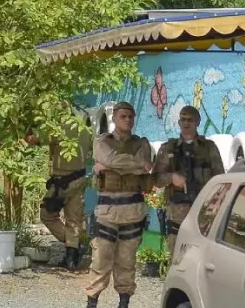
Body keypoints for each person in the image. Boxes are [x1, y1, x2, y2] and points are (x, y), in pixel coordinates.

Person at [84, 102, 153, 308]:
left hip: (133, 211)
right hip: (107, 210)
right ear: (114, 118)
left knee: (127, 261)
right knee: (100, 260)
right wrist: (135, 165)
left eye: (131, 116)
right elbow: (111, 157)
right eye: (123, 116)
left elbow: (145, 164)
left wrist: (111, 166)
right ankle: (92, 302)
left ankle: (124, 303)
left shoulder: (142, 143)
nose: (128, 119)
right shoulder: (102, 141)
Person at [152, 105, 225, 258]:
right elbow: (155, 178)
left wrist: (216, 203)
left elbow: (221, 181)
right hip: (178, 215)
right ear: (178, 122)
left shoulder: (209, 148)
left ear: (198, 122)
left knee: (202, 259)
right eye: (183, 120)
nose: (186, 123)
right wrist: (171, 178)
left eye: (190, 120)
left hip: (204, 215)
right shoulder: (168, 148)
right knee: (178, 259)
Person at [25, 106, 93, 270]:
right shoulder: (87, 129)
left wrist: (29, 124)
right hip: (81, 177)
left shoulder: (59, 127)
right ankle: (71, 256)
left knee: (47, 214)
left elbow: (32, 139)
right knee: (73, 219)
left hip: (62, 180)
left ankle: (75, 247)